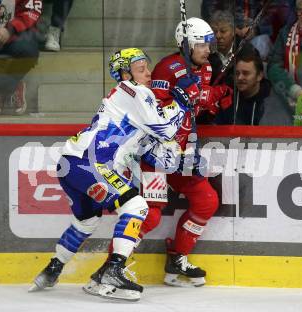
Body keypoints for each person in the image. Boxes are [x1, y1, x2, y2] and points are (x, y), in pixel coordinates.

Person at [29, 48, 193, 302]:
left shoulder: (133, 106)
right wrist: (182, 103)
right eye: (141, 69)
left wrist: (176, 153)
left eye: (147, 68)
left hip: (73, 163)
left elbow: (157, 153)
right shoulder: (133, 91)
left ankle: (52, 269)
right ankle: (113, 270)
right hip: (91, 163)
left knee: (86, 222)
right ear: (125, 74)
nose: (149, 73)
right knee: (137, 205)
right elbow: (164, 128)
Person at [84, 17, 231, 293]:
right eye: (202, 43)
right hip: (155, 153)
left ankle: (177, 259)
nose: (208, 49)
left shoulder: (208, 67)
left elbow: (198, 103)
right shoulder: (168, 68)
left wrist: (212, 97)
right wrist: (186, 96)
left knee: (207, 201)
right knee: (150, 215)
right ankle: (107, 270)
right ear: (187, 43)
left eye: (210, 43)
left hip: (183, 154)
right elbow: (153, 114)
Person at [216, 43, 292, 125]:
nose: (240, 77)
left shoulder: (273, 101)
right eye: (237, 73)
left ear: (259, 76)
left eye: (246, 73)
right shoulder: (228, 98)